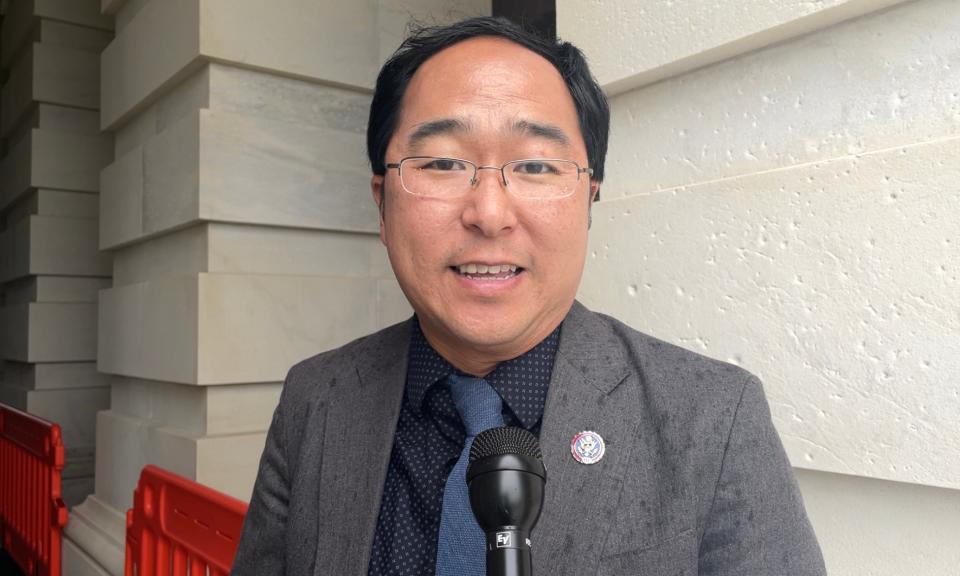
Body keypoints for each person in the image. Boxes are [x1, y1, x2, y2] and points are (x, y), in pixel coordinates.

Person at [232, 16, 826, 576]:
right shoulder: (316, 401)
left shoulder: (713, 418)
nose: (489, 213)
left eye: (537, 167)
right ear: (382, 203)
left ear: (588, 200)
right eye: (441, 161)